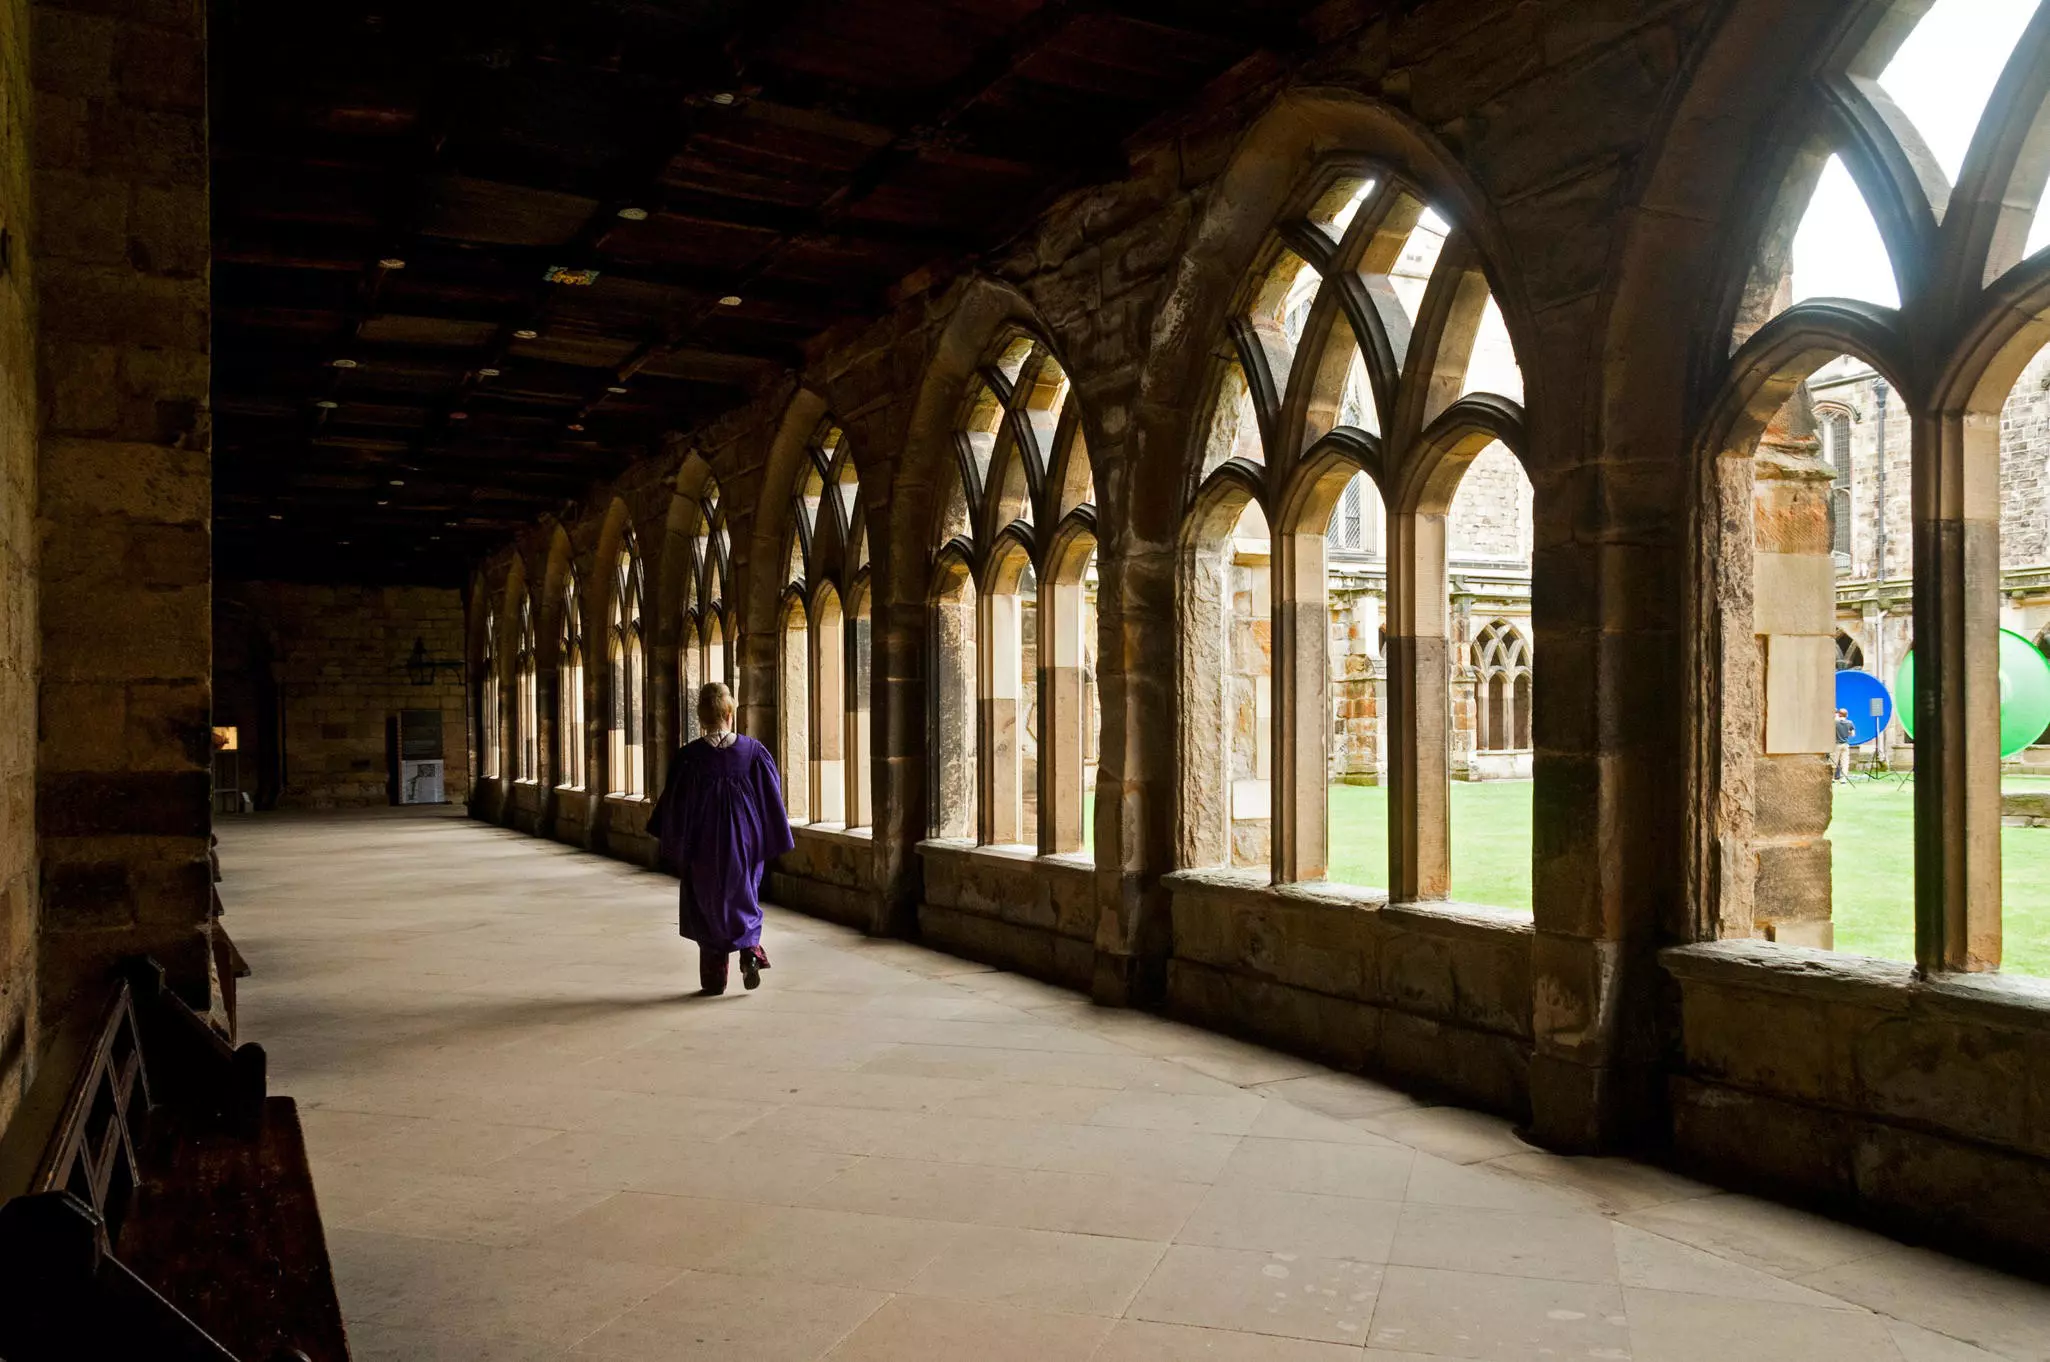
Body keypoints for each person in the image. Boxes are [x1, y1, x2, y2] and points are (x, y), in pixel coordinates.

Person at [647, 682, 795, 995]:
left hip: (702, 843)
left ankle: (714, 979)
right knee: (745, 896)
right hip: (744, 841)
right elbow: (770, 797)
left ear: (702, 718)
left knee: (706, 905)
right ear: (730, 713)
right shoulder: (752, 752)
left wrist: (674, 843)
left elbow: (674, 803)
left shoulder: (689, 757)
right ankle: (750, 952)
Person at [1833, 707, 1855, 784]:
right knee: (1845, 763)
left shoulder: (1835, 722)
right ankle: (1843, 779)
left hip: (1836, 744)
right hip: (1845, 744)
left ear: (1839, 714)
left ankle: (1832, 778)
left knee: (1834, 762)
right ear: (1846, 715)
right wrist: (1847, 732)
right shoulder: (1850, 723)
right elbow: (1852, 734)